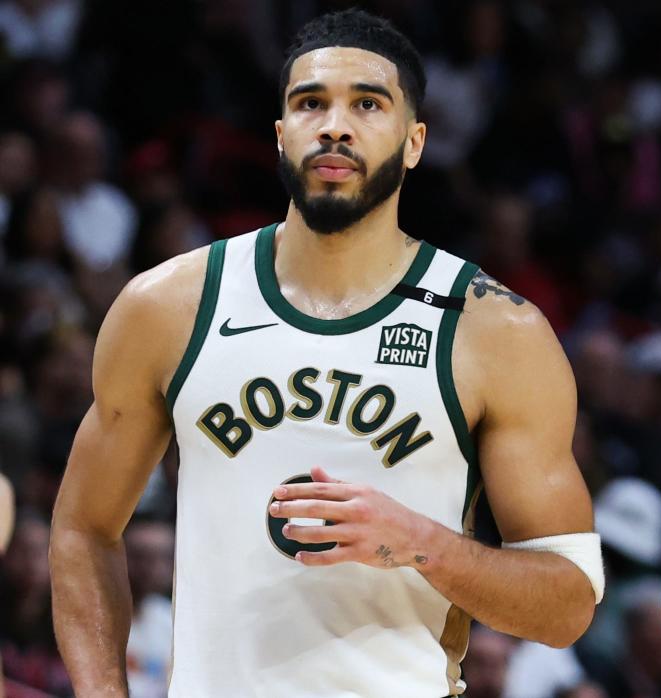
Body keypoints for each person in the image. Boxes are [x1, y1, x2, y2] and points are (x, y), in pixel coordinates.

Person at [49, 9, 601, 697]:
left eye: (368, 104)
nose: (334, 124)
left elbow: (568, 602)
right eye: (311, 103)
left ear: (414, 141)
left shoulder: (495, 332)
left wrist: (418, 541)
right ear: (281, 137)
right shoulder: (167, 308)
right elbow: (83, 529)